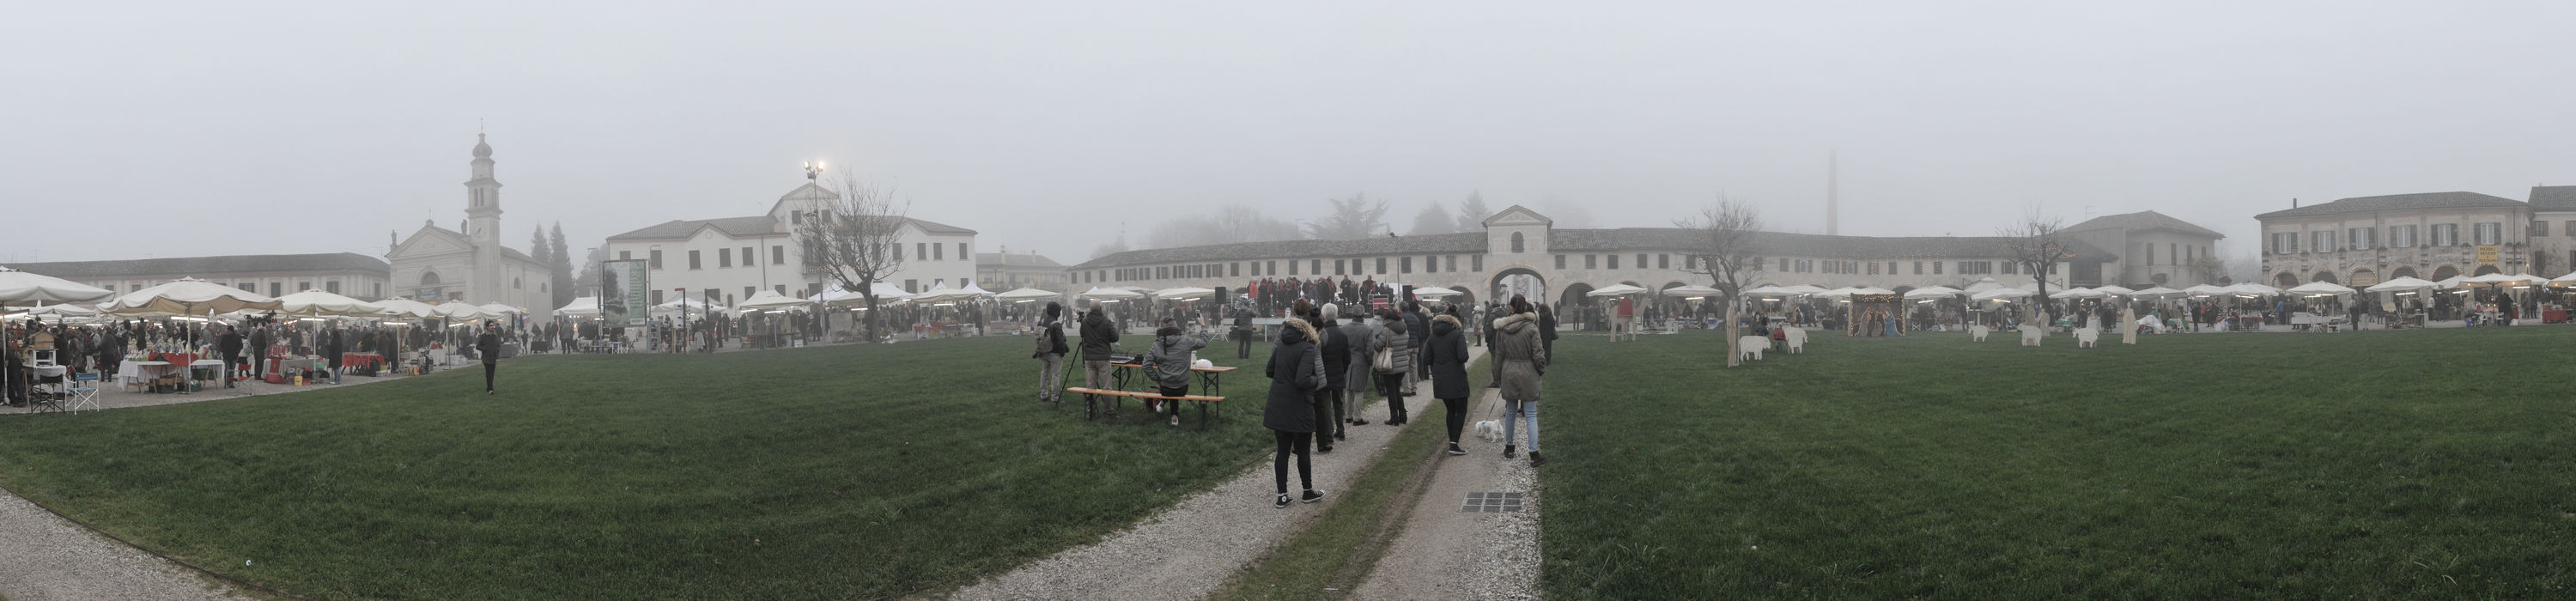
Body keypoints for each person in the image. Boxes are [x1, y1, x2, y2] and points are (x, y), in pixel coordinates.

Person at [1263, 311, 1327, 508]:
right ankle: (1307, 491)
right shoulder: (1308, 348)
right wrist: (1316, 380)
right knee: (1303, 451)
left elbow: (1269, 371)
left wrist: (1284, 377)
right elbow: (1302, 380)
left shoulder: (1281, 345)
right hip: (1299, 404)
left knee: (1282, 451)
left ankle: (1282, 495)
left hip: (1279, 402)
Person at [1493, 295, 1550, 464]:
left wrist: (1497, 375)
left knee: (1510, 412)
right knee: (1531, 414)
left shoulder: (1503, 329)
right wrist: (1540, 370)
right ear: (1524, 307)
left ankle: (1510, 447)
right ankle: (1533, 453)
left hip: (1509, 370)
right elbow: (1538, 354)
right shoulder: (1532, 328)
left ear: (1511, 308)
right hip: (1528, 371)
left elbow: (1499, 355)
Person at [1422, 309, 1473, 456]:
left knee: (1451, 411)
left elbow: (1426, 359)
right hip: (1456, 376)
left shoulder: (1432, 338)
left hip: (1441, 377)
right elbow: (1463, 356)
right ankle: (1454, 443)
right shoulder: (1457, 334)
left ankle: (1453, 442)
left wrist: (1438, 363)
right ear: (1453, 323)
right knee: (1461, 410)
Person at [1145, 317, 1207, 428]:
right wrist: (1203, 325)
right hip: (1182, 387)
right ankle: (1174, 416)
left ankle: (1165, 405)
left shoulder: (1156, 345)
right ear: (1176, 327)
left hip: (1165, 387)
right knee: (1175, 385)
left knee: (1170, 387)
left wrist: (1158, 379)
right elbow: (1204, 341)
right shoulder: (1186, 340)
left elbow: (1146, 365)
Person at [1315, 303, 1350, 450]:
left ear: (1323, 316)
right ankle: (1340, 430)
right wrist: (1342, 370)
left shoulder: (1321, 335)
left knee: (1325, 406)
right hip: (1337, 372)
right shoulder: (1342, 334)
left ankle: (1329, 435)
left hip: (1323, 374)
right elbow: (1347, 357)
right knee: (1338, 403)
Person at [1078, 303, 1122, 418]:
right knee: (1106, 386)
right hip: (1103, 357)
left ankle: (1090, 410)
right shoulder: (1106, 321)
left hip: (1089, 357)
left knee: (1090, 385)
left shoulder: (1084, 322)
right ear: (1100, 308)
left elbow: (1082, 335)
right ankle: (1108, 411)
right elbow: (1115, 337)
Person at [1373, 307, 1414, 425]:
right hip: (1402, 364)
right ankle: (1403, 415)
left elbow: (1377, 347)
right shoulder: (1405, 329)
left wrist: (1378, 338)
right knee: (1397, 390)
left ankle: (1394, 417)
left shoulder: (1387, 330)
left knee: (1392, 392)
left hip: (1389, 365)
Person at [1340, 304, 1376, 427]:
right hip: (1361, 361)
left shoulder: (1344, 328)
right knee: (1359, 390)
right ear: (1363, 314)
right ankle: (1357, 417)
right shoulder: (1367, 330)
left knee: (1349, 389)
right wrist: (1370, 361)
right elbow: (1370, 350)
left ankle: (1348, 415)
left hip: (1348, 361)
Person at [1033, 302, 1069, 404]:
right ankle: (1055, 397)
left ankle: (1043, 394)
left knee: (1044, 374)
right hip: (1055, 353)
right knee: (1055, 376)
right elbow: (1060, 340)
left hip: (1044, 352)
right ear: (1055, 312)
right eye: (1059, 311)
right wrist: (1062, 352)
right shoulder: (1056, 324)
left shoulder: (1041, 321)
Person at [477, 320, 502, 395]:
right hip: (486, 358)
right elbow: (478, 346)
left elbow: (498, 345)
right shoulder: (483, 336)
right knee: (488, 373)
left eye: (493, 325)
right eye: (491, 325)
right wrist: (485, 349)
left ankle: (490, 387)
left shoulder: (495, 335)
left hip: (493, 358)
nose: (492, 327)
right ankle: (490, 389)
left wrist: (496, 351)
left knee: (492, 373)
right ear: (487, 327)